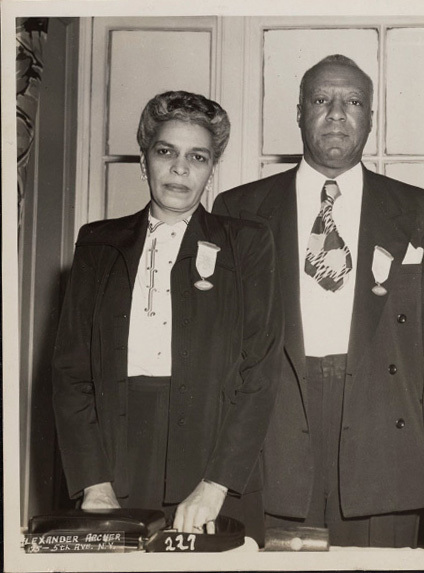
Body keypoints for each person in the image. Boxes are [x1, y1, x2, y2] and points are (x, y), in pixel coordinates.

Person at [213, 55, 424, 547]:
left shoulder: (420, 209)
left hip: (383, 436)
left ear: (371, 118)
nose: (337, 113)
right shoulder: (239, 209)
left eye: (354, 102)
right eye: (322, 100)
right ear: (299, 112)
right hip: (275, 429)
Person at [53, 91, 282, 544]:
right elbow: (70, 373)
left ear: (210, 171)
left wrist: (215, 486)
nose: (180, 168)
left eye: (197, 156)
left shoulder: (249, 244)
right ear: (144, 163)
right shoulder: (98, 244)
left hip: (214, 469)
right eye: (166, 152)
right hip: (113, 464)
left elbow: (260, 374)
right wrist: (93, 484)